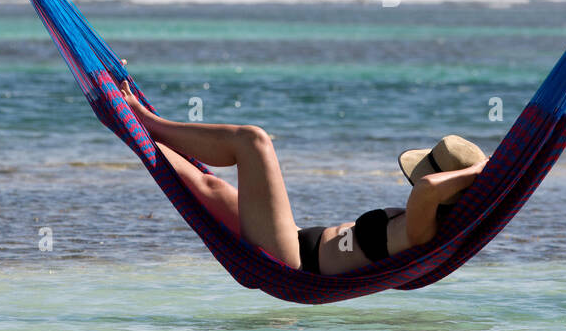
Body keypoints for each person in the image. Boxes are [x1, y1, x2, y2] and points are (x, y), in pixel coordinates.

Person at [116, 79, 487, 276]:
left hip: (293, 263)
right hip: (294, 239)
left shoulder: (425, 228)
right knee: (205, 185)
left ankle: (147, 121)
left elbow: (425, 188)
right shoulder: (424, 217)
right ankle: (132, 125)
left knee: (254, 141)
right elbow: (428, 187)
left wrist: (476, 171)